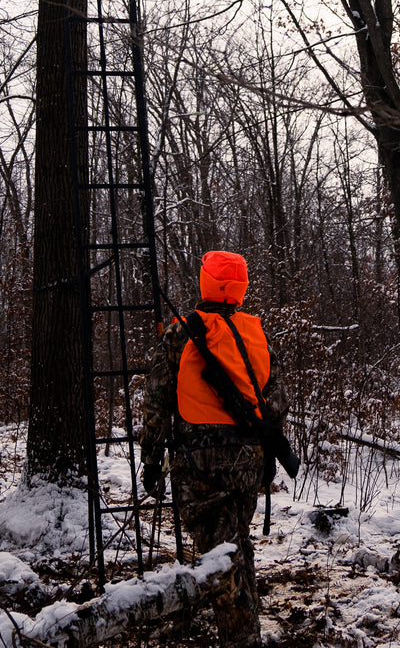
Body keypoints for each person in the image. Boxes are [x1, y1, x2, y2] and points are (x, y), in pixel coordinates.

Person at [140, 250, 288, 648]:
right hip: (248, 461)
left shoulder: (181, 333)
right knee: (238, 541)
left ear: (207, 282)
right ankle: (247, 626)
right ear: (241, 287)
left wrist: (151, 459)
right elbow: (276, 401)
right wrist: (267, 451)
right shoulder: (256, 333)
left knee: (221, 558)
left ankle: (241, 638)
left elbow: (156, 402)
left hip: (200, 464)